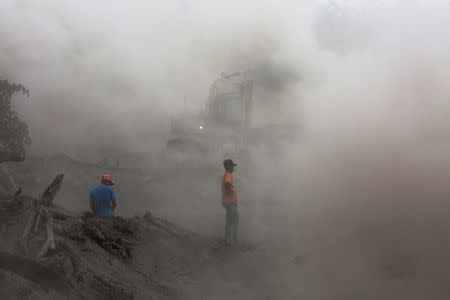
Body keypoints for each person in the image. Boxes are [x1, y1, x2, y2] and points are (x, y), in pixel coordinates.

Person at [222, 159, 238, 246]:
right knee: (232, 220)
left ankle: (231, 239)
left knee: (232, 220)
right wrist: (230, 193)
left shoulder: (227, 175)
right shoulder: (228, 175)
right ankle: (229, 240)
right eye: (232, 166)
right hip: (230, 202)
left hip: (229, 202)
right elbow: (227, 184)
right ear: (228, 167)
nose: (233, 168)